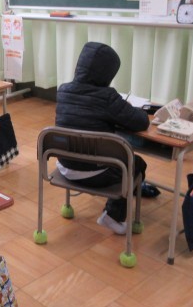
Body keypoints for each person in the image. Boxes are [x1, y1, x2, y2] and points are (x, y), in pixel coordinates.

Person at [55, 41, 149, 235]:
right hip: (93, 173)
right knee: (136, 163)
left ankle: (121, 197)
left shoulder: (63, 90)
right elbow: (141, 122)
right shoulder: (107, 97)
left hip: (64, 166)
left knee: (120, 160)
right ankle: (113, 215)